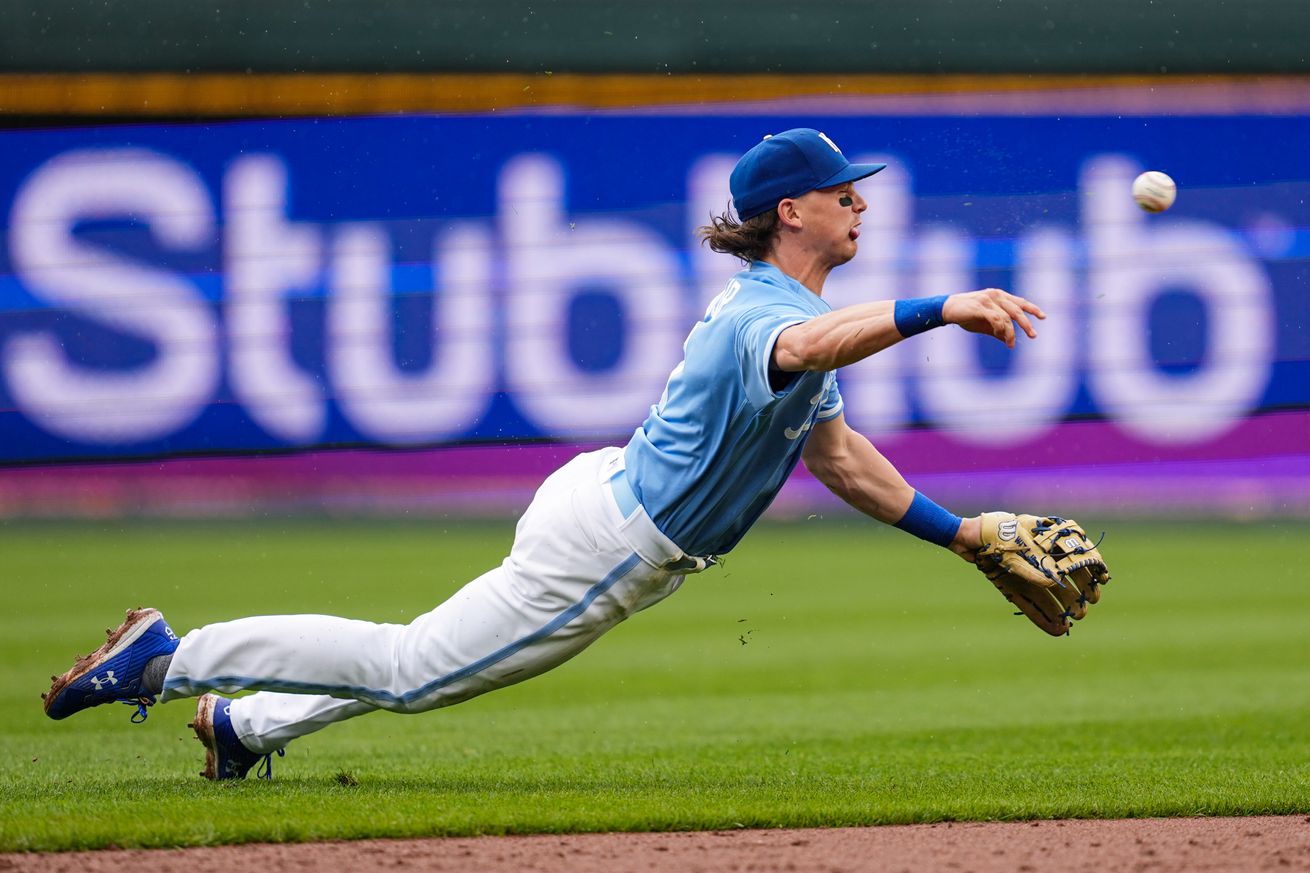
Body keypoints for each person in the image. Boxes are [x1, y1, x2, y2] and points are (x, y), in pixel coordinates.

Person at [42, 128, 1044, 779]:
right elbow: (803, 350)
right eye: (841, 194)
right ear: (791, 212)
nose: (858, 205)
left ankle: (241, 728)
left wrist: (958, 537)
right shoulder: (766, 316)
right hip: (613, 541)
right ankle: (172, 660)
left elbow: (836, 459)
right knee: (410, 668)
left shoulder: (791, 310)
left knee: (427, 654)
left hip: (603, 496)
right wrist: (936, 310)